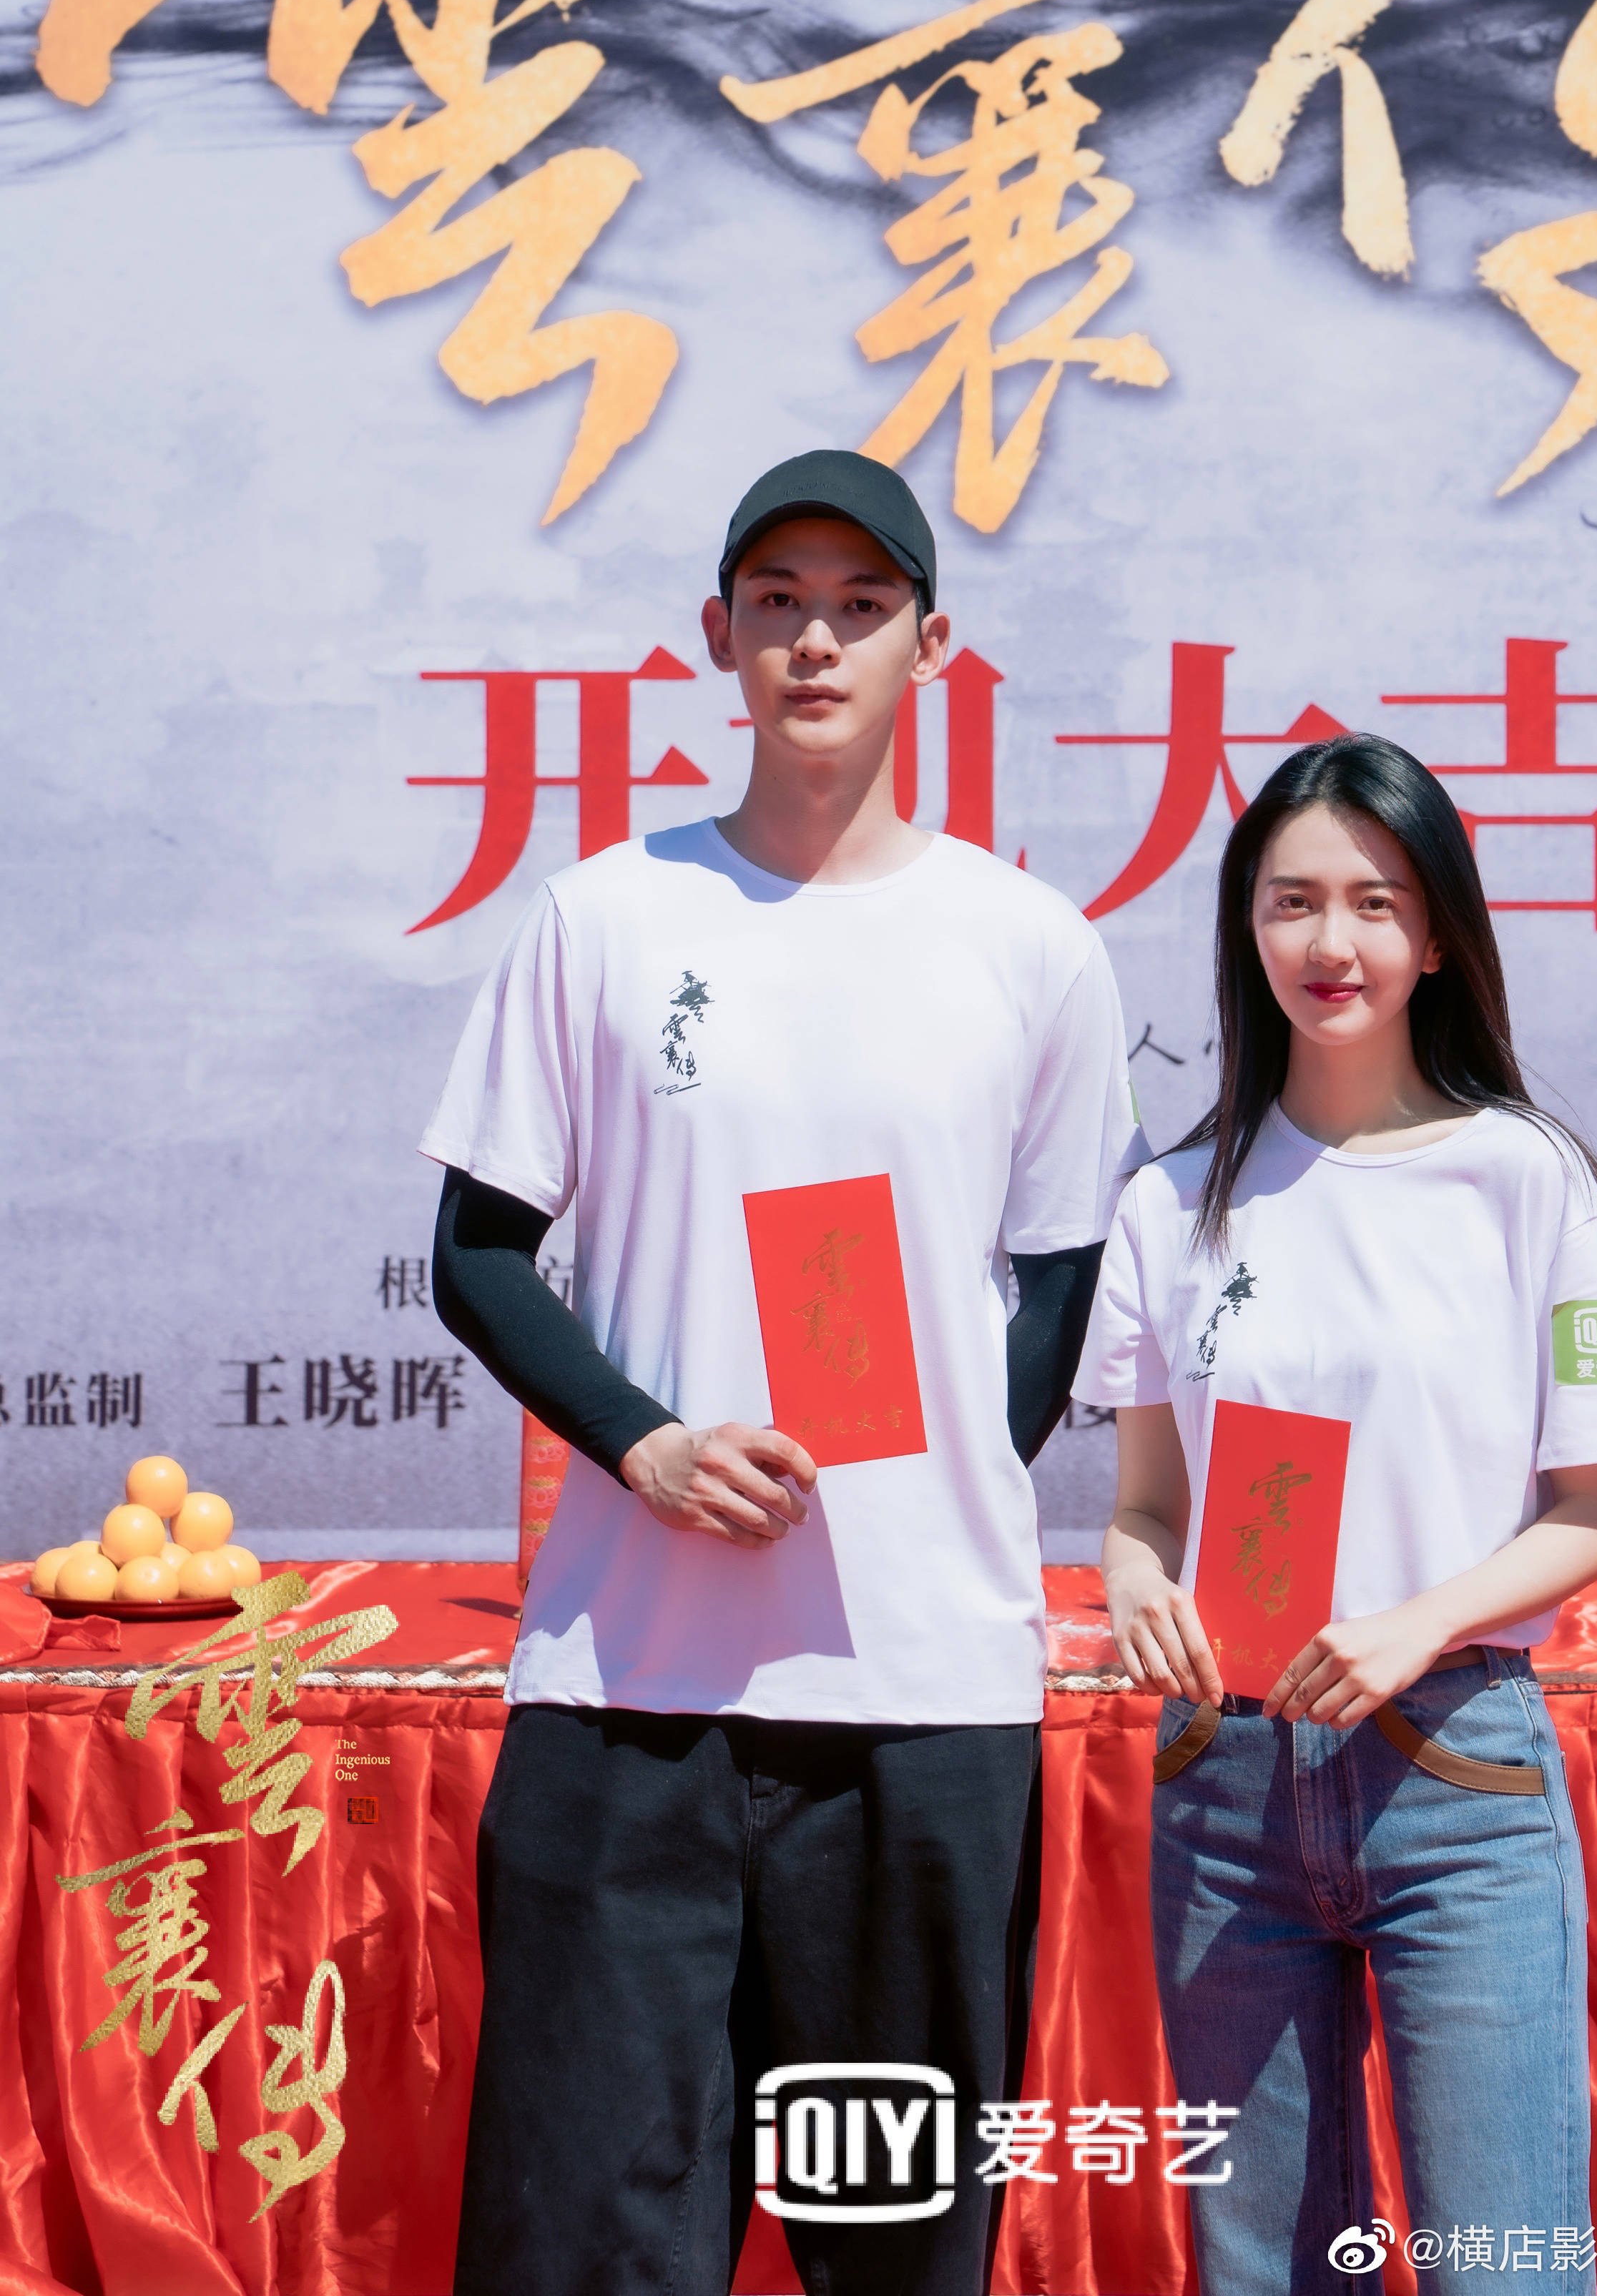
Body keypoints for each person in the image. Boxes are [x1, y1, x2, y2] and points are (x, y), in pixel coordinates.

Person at [421, 449, 1140, 2296]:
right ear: (719, 637)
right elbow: (478, 1257)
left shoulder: (1031, 949)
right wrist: (649, 1449)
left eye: (860, 606)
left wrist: (935, 1497)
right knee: (583, 2247)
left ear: (932, 646)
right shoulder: (607, 917)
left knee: (898, 2255)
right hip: (629, 1695)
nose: (817, 642)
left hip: (923, 1710)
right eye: (779, 604)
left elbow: (1059, 1278)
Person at [1075, 734, 1597, 2296]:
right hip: (1225, 1784)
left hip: (1455, 1771)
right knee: (1261, 2267)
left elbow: (1595, 1511)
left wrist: (1418, 1623)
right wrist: (1133, 1579)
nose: (1329, 943)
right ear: (1246, 925)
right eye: (1292, 902)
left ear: (1439, 933)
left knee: (1502, 2263)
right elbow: (1147, 1504)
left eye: (1375, 902)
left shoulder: (1529, 1179)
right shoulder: (1169, 1204)